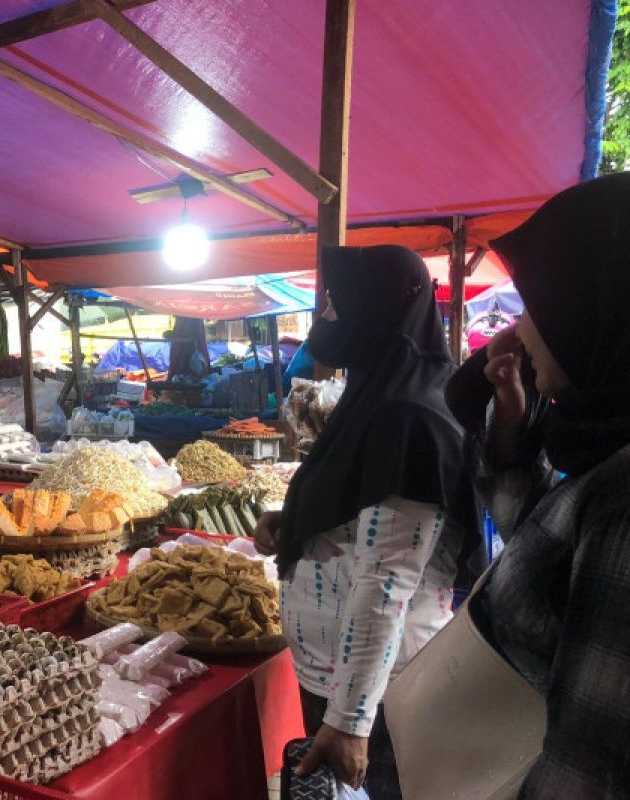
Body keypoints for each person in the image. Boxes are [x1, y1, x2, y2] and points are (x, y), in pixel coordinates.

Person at [254, 245, 477, 798]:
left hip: (375, 695)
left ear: (378, 310)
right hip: (341, 679)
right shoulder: (381, 394)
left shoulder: (409, 417)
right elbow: (371, 511)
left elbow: (387, 583)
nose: (326, 321)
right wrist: (300, 518)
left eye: (338, 306)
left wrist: (351, 722)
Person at [442, 173, 630, 796]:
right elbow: (545, 553)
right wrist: (513, 423)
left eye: (536, 304)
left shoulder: (625, 504)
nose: (519, 332)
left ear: (591, 307)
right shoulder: (603, 451)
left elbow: (588, 764)